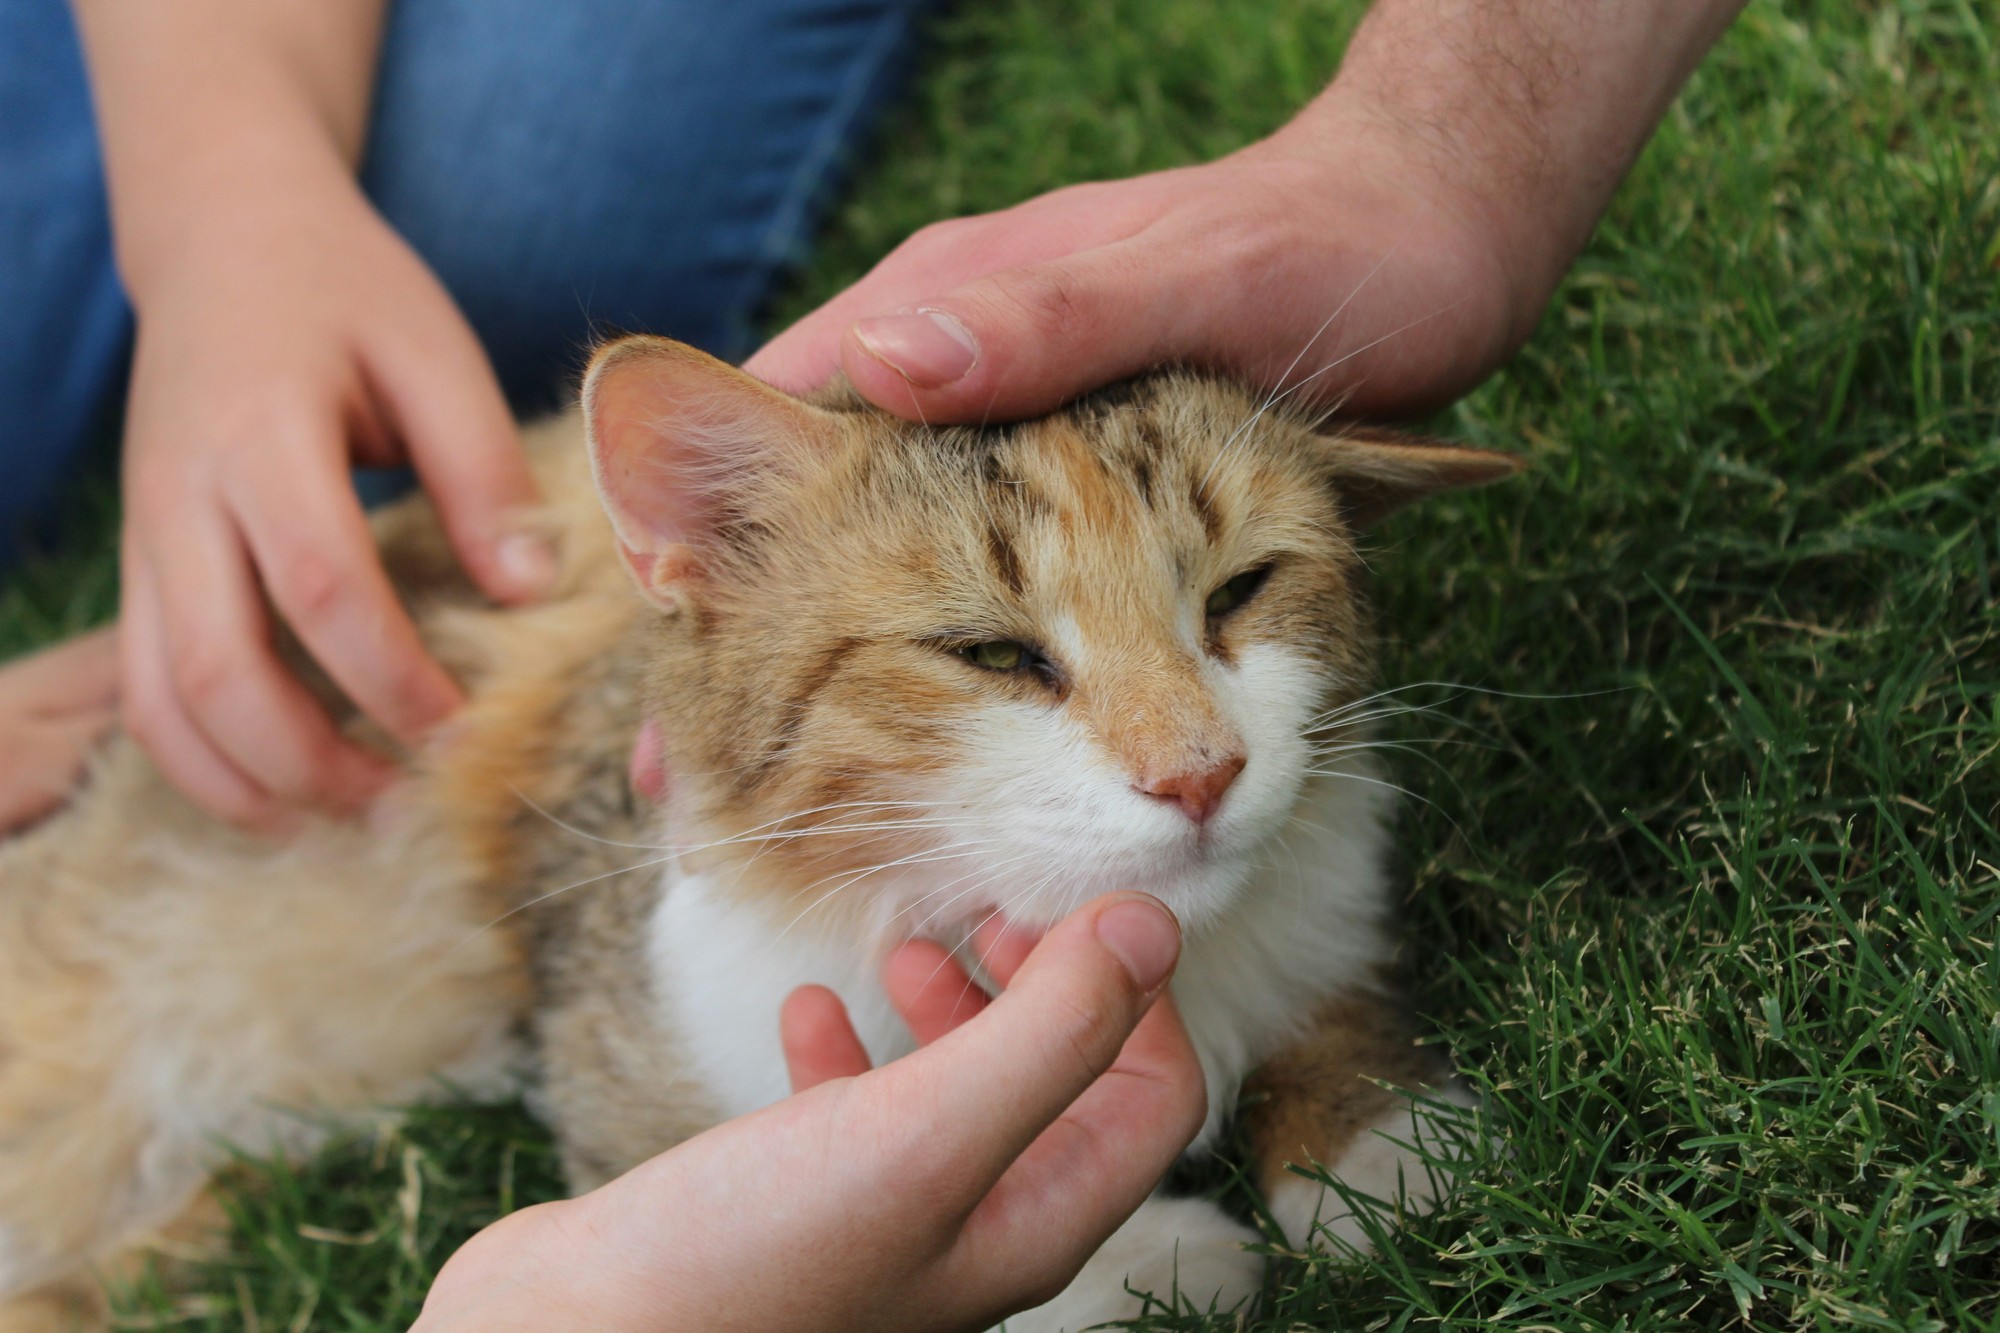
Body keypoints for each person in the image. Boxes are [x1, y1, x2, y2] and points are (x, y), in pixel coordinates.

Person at [0, 0, 1748, 1322]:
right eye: (1005, 651)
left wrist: (1328, 1083)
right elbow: (640, 1090)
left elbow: (1303, 945)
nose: (1186, 748)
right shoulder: (713, 953)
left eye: (1238, 600)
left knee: (526, 206)